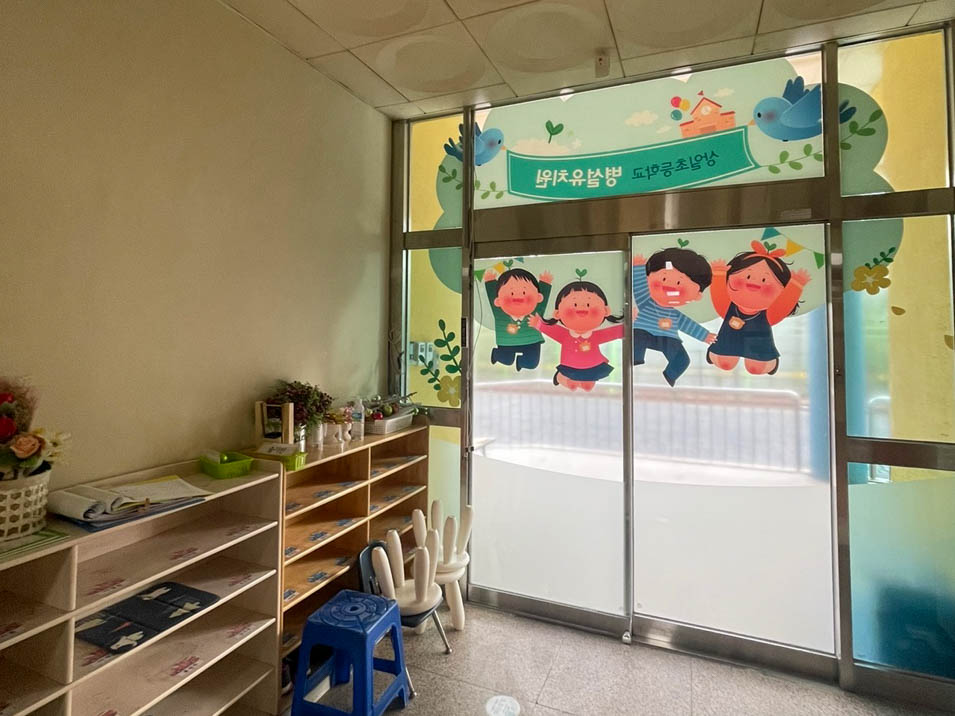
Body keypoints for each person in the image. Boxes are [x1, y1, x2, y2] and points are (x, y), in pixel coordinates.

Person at [707, 241, 811, 375]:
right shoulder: (728, 306)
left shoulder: (770, 314)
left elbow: (784, 304)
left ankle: (764, 359)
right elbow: (719, 295)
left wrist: (796, 285)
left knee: (756, 367)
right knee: (724, 362)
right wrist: (719, 274)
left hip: (759, 346)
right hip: (727, 342)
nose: (753, 283)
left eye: (764, 280)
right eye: (748, 276)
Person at [632, 249, 717, 386]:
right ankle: (635, 360)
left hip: (668, 338)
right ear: (647, 279)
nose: (669, 286)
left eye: (679, 283)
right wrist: (637, 268)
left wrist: (704, 335)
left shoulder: (675, 315)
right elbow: (639, 288)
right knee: (636, 339)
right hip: (643, 332)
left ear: (697, 295)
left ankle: (670, 375)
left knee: (683, 359)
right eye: (664, 278)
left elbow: (688, 325)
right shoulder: (646, 302)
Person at [528, 280, 624, 392]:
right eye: (574, 305)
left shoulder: (595, 336)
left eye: (588, 304)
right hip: (570, 365)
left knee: (588, 386)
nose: (582, 308)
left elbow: (613, 332)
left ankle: (572, 378)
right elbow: (551, 330)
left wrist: (628, 325)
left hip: (592, 366)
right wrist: (538, 324)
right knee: (571, 384)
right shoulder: (564, 335)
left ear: (605, 311)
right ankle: (560, 377)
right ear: (557, 313)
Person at [484, 267, 553, 371]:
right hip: (507, 341)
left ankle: (520, 362)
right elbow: (492, 297)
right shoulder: (500, 313)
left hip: (531, 341)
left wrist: (545, 283)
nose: (518, 297)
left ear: (538, 297)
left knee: (531, 363)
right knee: (506, 360)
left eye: (524, 292)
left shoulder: (536, 311)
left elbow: (543, 301)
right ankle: (496, 354)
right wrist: (490, 281)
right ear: (498, 301)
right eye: (511, 293)